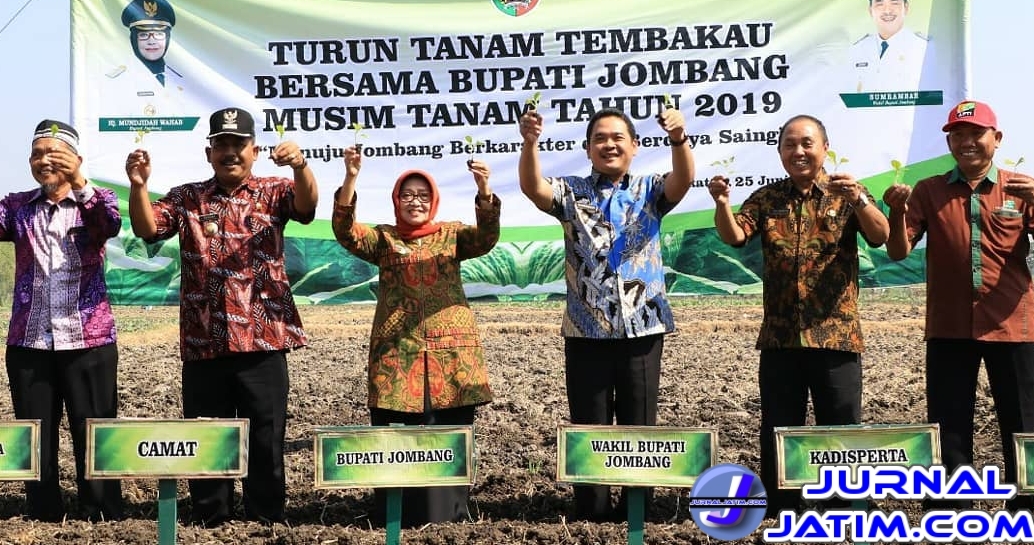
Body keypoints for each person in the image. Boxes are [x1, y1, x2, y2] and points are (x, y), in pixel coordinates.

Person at [126, 107, 318, 526]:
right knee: (207, 436)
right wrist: (138, 187)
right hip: (204, 340)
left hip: (263, 340)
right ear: (209, 151)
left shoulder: (274, 190)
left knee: (266, 438)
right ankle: (211, 519)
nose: (230, 152)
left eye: (239, 144)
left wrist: (301, 166)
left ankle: (266, 519)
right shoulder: (186, 197)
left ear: (255, 150)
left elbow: (307, 206)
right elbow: (147, 228)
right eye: (222, 144)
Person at [517, 105, 694, 521]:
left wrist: (679, 138)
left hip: (642, 327)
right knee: (589, 423)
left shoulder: (650, 189)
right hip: (585, 330)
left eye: (618, 138)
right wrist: (529, 144)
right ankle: (591, 510)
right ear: (587, 148)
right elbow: (532, 187)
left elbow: (683, 180)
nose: (609, 144)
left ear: (634, 146)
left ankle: (638, 508)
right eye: (600, 138)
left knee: (639, 423)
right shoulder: (571, 191)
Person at [707, 114, 890, 517]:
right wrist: (722, 203)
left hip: (835, 336)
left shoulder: (848, 192)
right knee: (778, 427)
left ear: (825, 147)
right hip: (780, 338)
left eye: (807, 143)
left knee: (840, 428)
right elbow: (735, 235)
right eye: (790, 144)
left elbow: (881, 235)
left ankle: (845, 507)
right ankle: (782, 507)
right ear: (780, 153)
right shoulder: (768, 198)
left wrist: (859, 200)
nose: (799, 151)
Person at [331, 147, 499, 526]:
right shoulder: (384, 240)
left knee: (449, 434)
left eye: (423, 195)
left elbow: (487, 237)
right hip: (397, 358)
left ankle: (448, 519)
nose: (415, 202)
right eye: (407, 195)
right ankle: (396, 519)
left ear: (434, 200)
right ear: (395, 200)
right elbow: (345, 232)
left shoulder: (452, 236)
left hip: (452, 357)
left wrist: (484, 189)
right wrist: (351, 177)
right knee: (396, 442)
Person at [883, 100, 1034, 511]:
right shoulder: (930, 191)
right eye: (957, 134)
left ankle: (1027, 505)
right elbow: (898, 251)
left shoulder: (1021, 189)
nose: (966, 142)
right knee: (949, 424)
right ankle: (952, 508)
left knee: (1023, 423)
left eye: (976, 133)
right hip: (949, 327)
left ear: (996, 139)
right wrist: (896, 213)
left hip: (1012, 325)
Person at [1, 120, 123, 522]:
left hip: (88, 339)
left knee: (94, 430)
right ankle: (44, 511)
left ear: (76, 160)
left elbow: (109, 224)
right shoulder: (17, 207)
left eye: (54, 153)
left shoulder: (97, 202)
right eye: (37, 154)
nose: (44, 161)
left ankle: (102, 511)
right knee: (36, 435)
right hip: (29, 342)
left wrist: (80, 181)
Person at [112, 0, 186, 116]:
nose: (152, 41)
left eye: (159, 34)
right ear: (133, 39)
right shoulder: (116, 80)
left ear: (168, 38)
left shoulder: (182, 80)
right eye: (143, 35)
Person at [847, 0, 935, 93]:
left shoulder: (923, 47)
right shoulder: (857, 49)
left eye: (894, 3)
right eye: (880, 4)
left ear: (906, 8)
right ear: (870, 11)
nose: (887, 11)